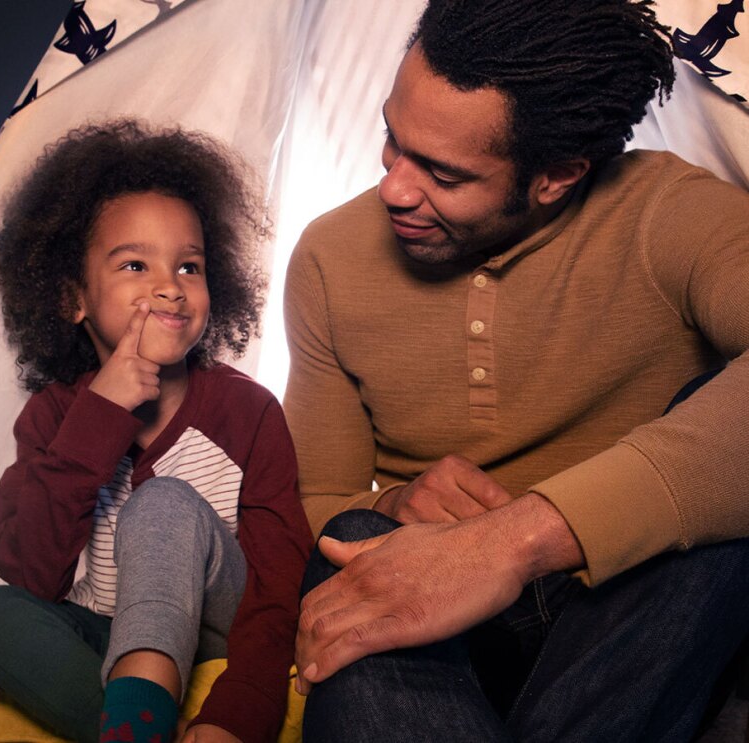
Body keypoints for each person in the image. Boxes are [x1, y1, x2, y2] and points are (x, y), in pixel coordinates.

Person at [283, 0, 749, 740]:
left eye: (441, 171)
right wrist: (402, 504)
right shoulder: (327, 259)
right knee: (353, 531)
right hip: (444, 648)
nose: (394, 188)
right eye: (390, 139)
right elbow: (310, 500)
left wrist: (515, 540)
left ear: (558, 174)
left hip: (626, 623)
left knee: (720, 493)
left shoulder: (669, 211)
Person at [0, 120, 312, 743]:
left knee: (165, 501)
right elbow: (31, 573)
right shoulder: (51, 418)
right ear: (74, 298)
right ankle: (141, 727)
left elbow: (281, 586)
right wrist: (99, 416)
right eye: (134, 263)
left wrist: (237, 718)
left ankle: (140, 719)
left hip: (214, 626)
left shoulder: (249, 413)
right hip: (100, 626)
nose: (169, 286)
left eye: (190, 266)